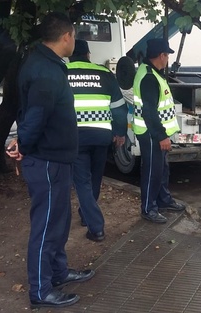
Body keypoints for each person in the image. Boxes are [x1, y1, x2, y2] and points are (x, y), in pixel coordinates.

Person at [5, 12, 94, 309]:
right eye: (74, 35)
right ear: (66, 36)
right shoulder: (45, 70)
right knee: (46, 226)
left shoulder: (48, 64)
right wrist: (23, 146)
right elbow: (36, 116)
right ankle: (41, 290)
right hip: (46, 162)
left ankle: (57, 272)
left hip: (56, 160)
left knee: (59, 221)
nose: (74, 39)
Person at [67, 39, 128, 242]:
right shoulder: (104, 74)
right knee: (94, 179)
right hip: (102, 136)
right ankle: (87, 216)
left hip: (75, 137)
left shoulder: (62, 72)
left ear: (70, 54)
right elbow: (119, 108)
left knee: (82, 182)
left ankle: (96, 228)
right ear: (88, 55)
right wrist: (120, 133)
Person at [132, 38, 186, 224]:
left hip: (155, 133)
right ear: (161, 55)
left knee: (161, 169)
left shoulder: (154, 73)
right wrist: (161, 136)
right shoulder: (148, 76)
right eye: (167, 55)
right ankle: (148, 208)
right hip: (151, 133)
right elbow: (149, 111)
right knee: (152, 171)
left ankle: (163, 200)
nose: (168, 59)